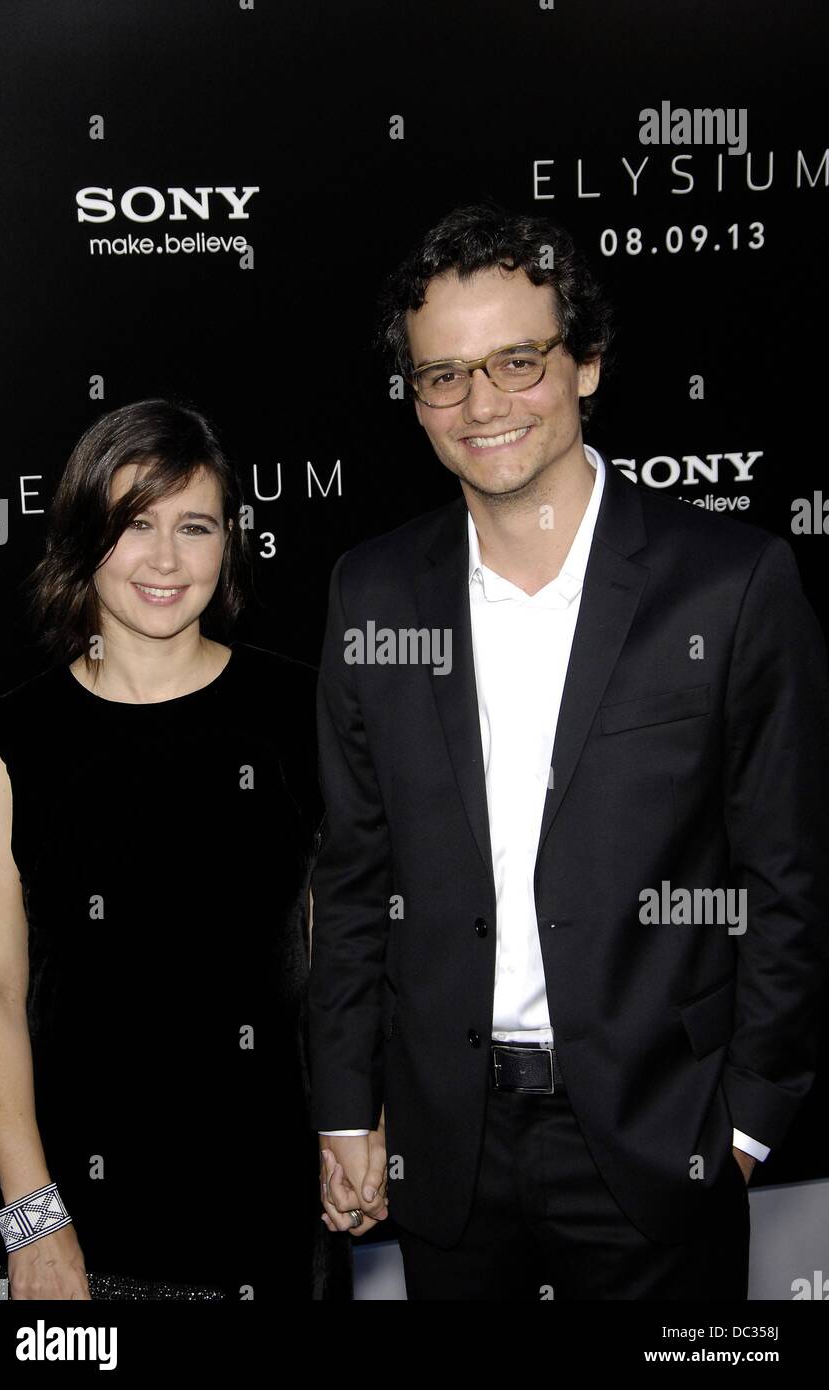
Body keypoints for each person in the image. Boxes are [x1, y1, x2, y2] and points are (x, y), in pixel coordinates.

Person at [307, 203, 829, 1298]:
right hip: (443, 1145)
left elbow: (784, 874)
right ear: (412, 394)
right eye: (442, 374)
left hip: (659, 1135)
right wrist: (348, 1106)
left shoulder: (726, 583)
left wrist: (746, 1119)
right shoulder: (373, 589)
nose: (480, 404)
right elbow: (355, 875)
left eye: (515, 360)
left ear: (584, 362)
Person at [0, 398, 332, 1299]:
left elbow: (344, 961)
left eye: (194, 526)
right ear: (83, 536)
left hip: (272, 1205)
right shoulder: (11, 743)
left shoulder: (301, 714)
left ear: (227, 544)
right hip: (77, 1224)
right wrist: (34, 1213)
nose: (165, 560)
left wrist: (358, 1126)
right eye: (133, 525)